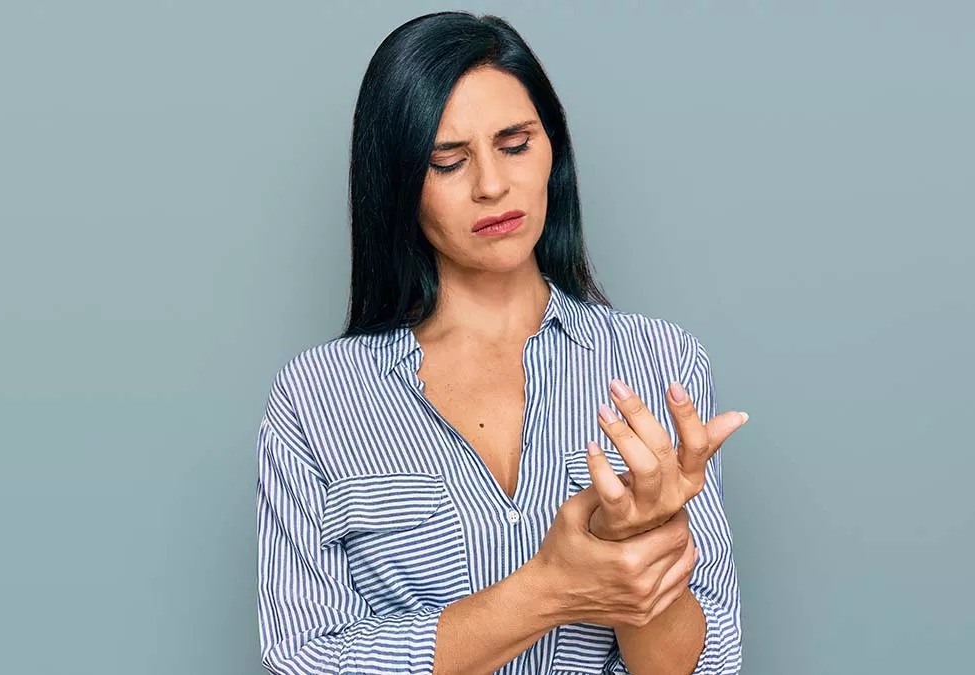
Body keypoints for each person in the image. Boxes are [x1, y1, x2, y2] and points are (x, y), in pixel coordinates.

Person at [256, 11, 746, 675]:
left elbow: (707, 663)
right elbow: (304, 659)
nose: (491, 185)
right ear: (398, 184)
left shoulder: (660, 362)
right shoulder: (315, 397)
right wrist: (548, 591)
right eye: (448, 162)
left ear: (553, 152)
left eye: (515, 145)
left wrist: (639, 538)